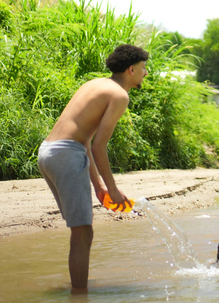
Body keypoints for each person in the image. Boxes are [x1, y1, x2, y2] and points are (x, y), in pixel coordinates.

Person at [38, 44, 149, 293]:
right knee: (83, 233)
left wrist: (98, 187)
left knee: (81, 230)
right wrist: (114, 189)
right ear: (131, 70)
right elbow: (99, 146)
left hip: (48, 151)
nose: (146, 73)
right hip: (67, 155)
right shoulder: (120, 95)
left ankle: (78, 288)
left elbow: (86, 140)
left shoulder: (96, 83)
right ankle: (80, 295)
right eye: (144, 68)